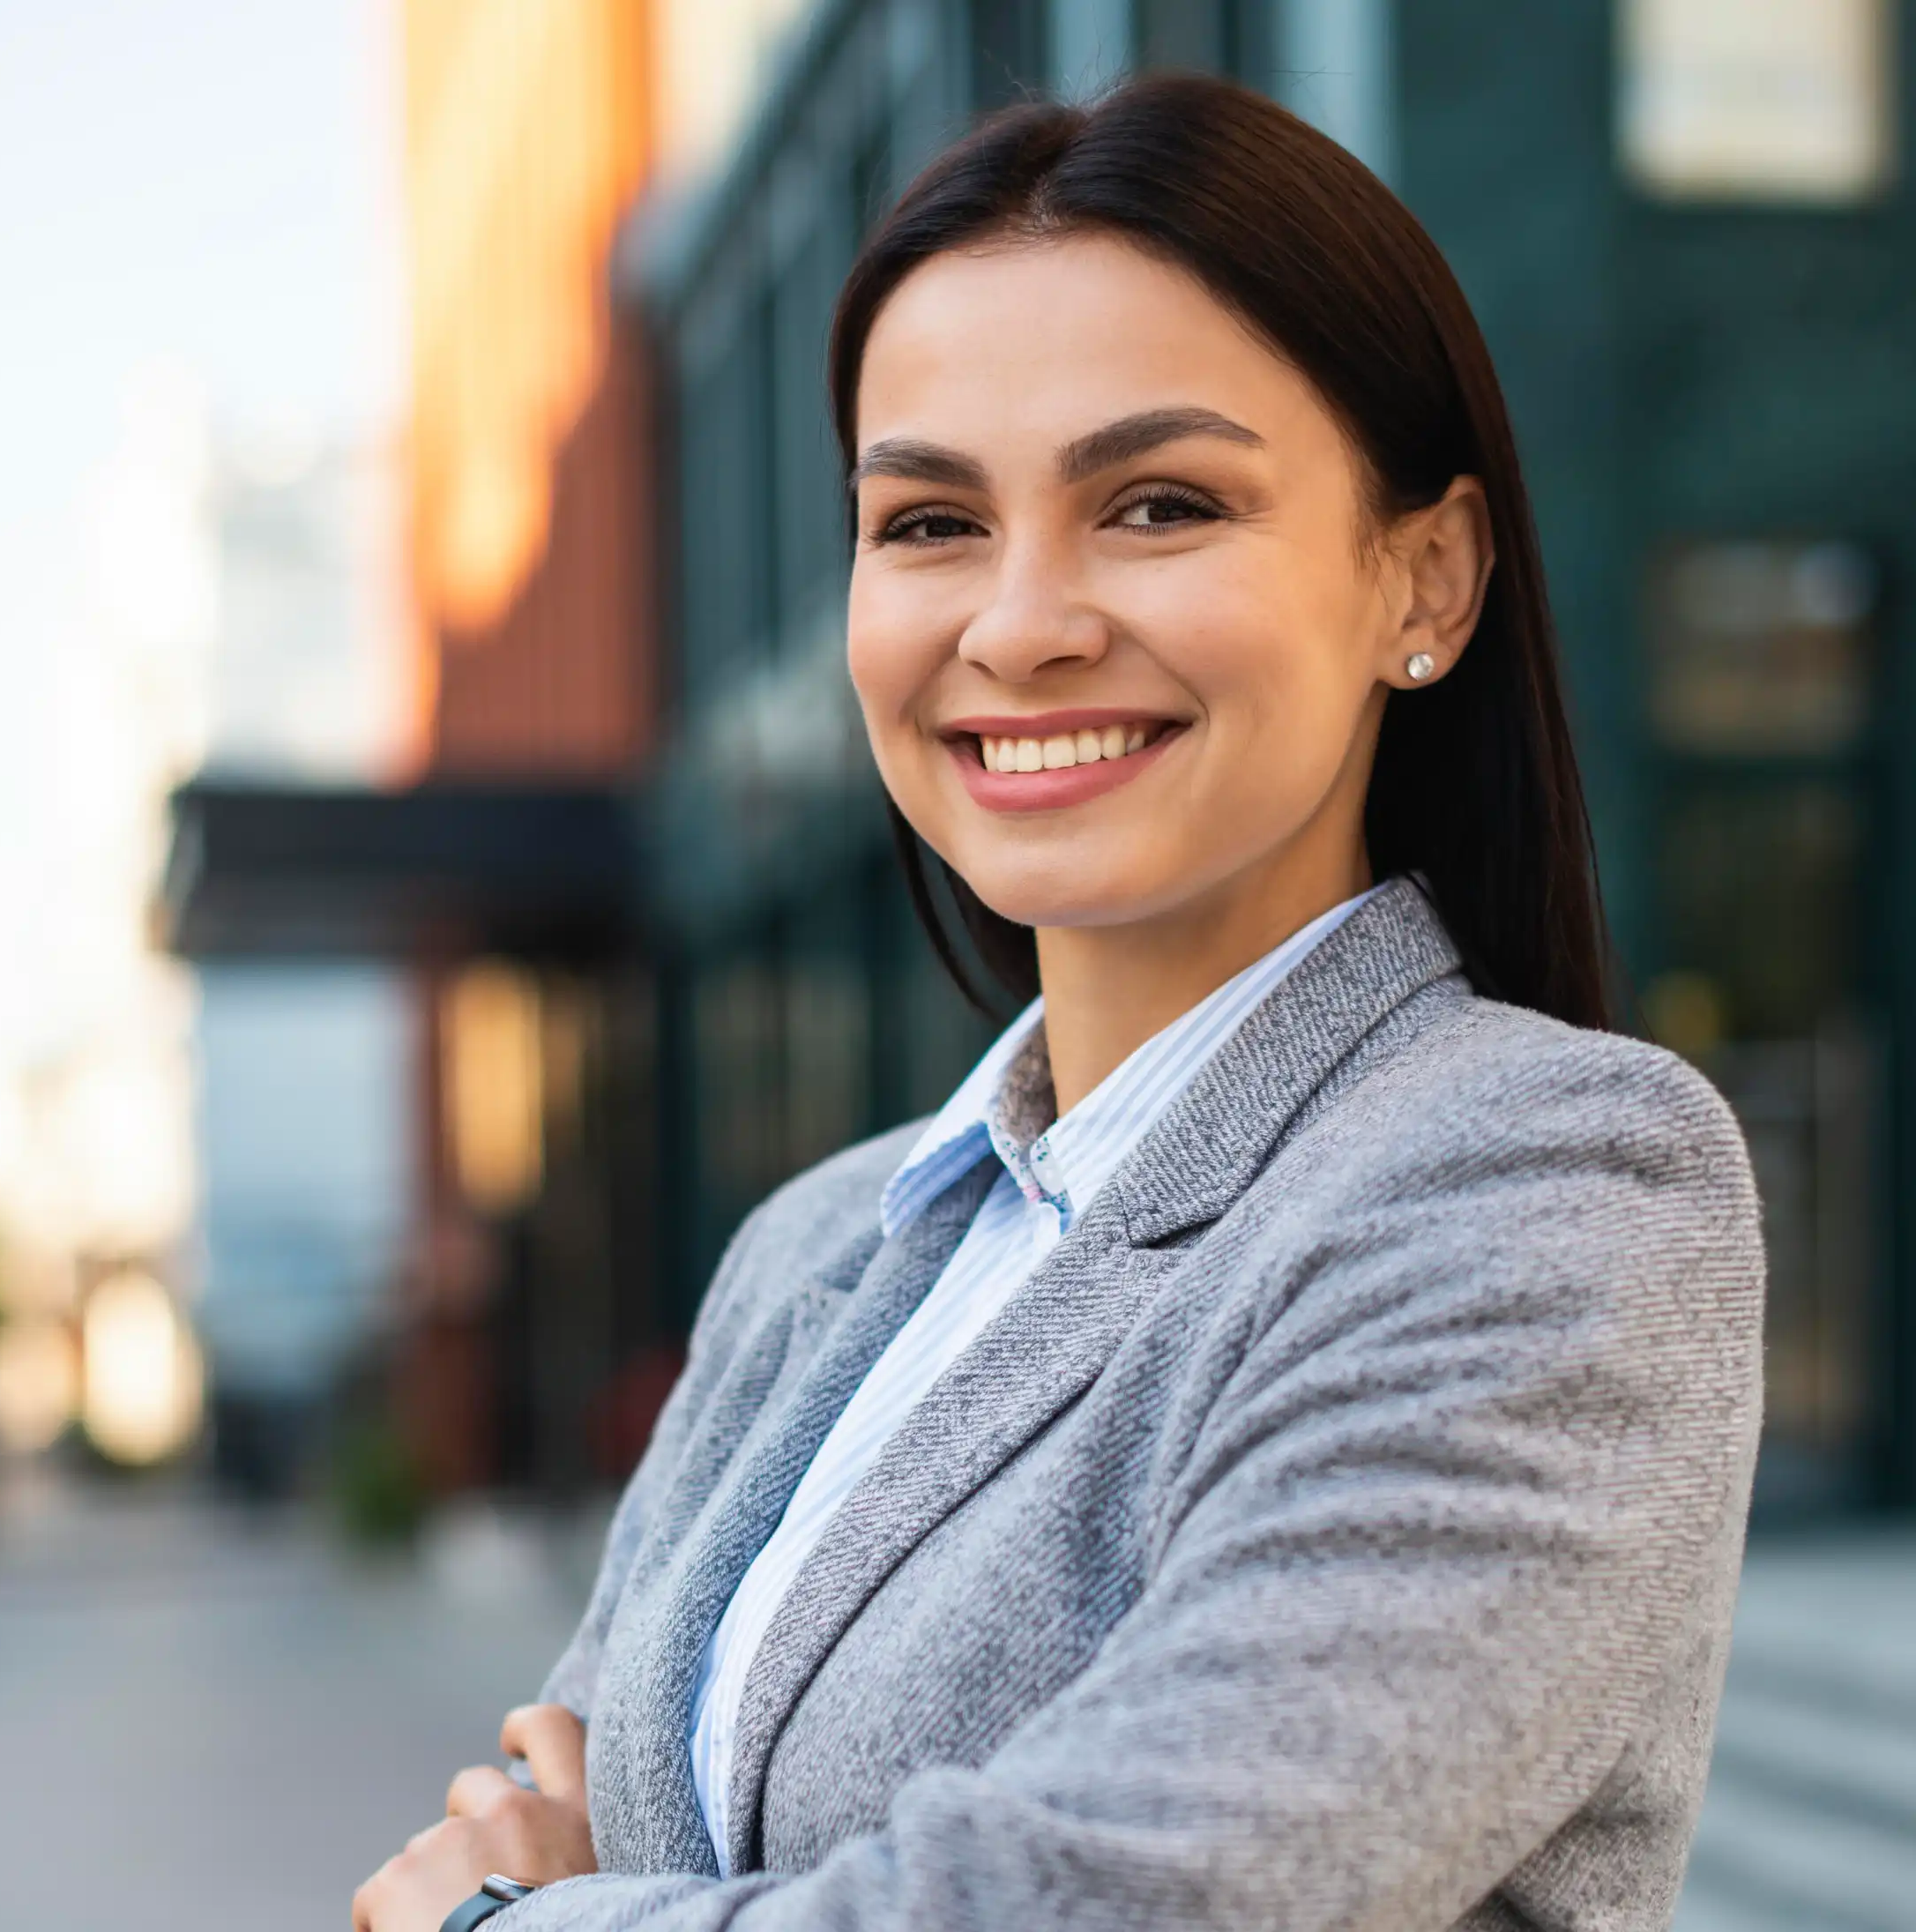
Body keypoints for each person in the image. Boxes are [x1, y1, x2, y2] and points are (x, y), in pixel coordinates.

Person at [354, 74, 1763, 1932]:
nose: (1017, 626)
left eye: (1159, 503)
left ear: (1424, 576)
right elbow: (567, 1775)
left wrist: (513, 1926)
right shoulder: (815, 1249)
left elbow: (1119, 1906)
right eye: (928, 522)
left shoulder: (1543, 1186)